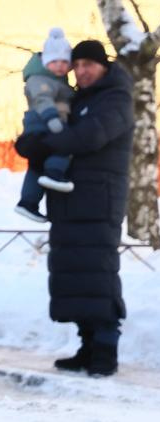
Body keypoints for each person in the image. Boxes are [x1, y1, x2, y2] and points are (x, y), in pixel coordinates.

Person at [15, 38, 132, 377]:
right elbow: (52, 125)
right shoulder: (77, 98)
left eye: (88, 65)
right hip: (69, 200)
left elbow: (89, 137)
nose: (81, 71)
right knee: (74, 276)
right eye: (76, 65)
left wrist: (43, 144)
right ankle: (87, 346)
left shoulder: (115, 99)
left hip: (99, 201)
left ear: (103, 67)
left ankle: (105, 351)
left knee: (98, 275)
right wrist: (29, 142)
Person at [14, 28, 76, 222]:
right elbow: (42, 100)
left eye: (65, 62)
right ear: (45, 61)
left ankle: (28, 202)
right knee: (66, 145)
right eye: (55, 61)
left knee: (36, 166)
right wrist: (52, 119)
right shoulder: (40, 79)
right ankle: (55, 173)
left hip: (45, 123)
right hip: (44, 123)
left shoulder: (57, 81)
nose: (60, 66)